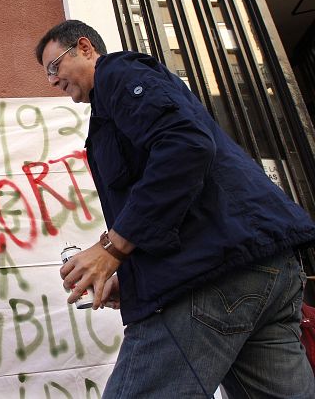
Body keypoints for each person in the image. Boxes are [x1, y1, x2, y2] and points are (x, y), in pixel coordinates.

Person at [36, 20, 315, 398]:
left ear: (85, 48)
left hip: (211, 274)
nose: (52, 81)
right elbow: (172, 185)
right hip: (263, 268)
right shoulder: (114, 104)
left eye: (54, 67)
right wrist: (130, 277)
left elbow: (186, 146)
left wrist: (112, 250)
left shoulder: (118, 72)